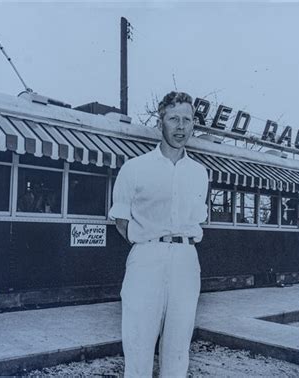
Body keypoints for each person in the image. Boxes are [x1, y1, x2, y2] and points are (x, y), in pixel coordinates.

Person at [108, 91, 208, 377]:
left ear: (193, 125)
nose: (180, 127)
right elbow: (121, 220)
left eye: (186, 120)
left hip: (186, 259)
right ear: (160, 122)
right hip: (147, 256)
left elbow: (198, 217)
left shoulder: (200, 173)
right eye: (173, 119)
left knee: (178, 348)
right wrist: (148, 243)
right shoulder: (135, 168)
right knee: (138, 343)